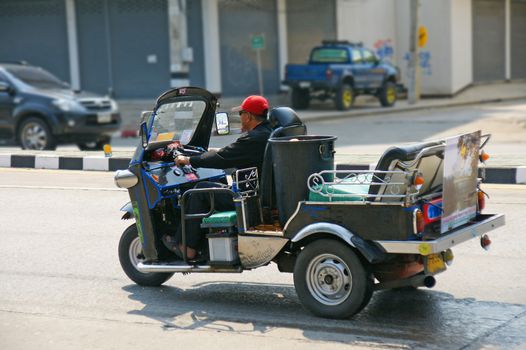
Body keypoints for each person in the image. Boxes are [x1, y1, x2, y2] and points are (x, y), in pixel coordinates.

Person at [166, 95, 272, 260]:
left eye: (241, 114)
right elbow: (228, 154)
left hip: (248, 200)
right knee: (212, 185)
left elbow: (222, 158)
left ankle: (187, 248)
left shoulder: (253, 139)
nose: (240, 118)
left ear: (249, 116)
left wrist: (188, 159)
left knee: (198, 191)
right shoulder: (268, 133)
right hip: (257, 195)